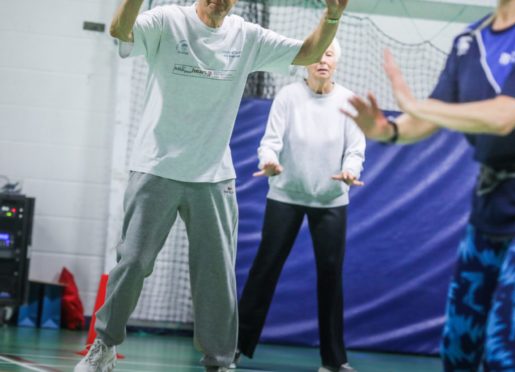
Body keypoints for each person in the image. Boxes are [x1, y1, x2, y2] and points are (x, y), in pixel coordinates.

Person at [74, 0, 349, 371]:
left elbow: (309, 52)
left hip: (214, 176)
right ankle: (104, 346)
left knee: (216, 275)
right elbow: (120, 32)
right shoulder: (168, 20)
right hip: (156, 167)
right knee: (134, 262)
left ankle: (219, 361)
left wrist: (332, 15)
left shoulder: (247, 36)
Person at [343, 0, 515, 369]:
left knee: (504, 355)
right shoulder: (469, 39)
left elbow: (503, 116)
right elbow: (431, 113)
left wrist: (417, 106)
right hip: (492, 205)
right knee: (460, 351)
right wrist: (391, 129)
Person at [235, 40, 365, 372]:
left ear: (337, 61)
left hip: (331, 199)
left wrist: (351, 170)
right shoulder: (288, 97)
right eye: (318, 55)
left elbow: (355, 149)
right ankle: (233, 348)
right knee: (264, 270)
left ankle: (334, 361)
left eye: (330, 55)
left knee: (331, 276)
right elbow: (270, 142)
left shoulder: (350, 101)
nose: (323, 61)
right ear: (306, 61)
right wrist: (269, 161)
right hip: (285, 195)